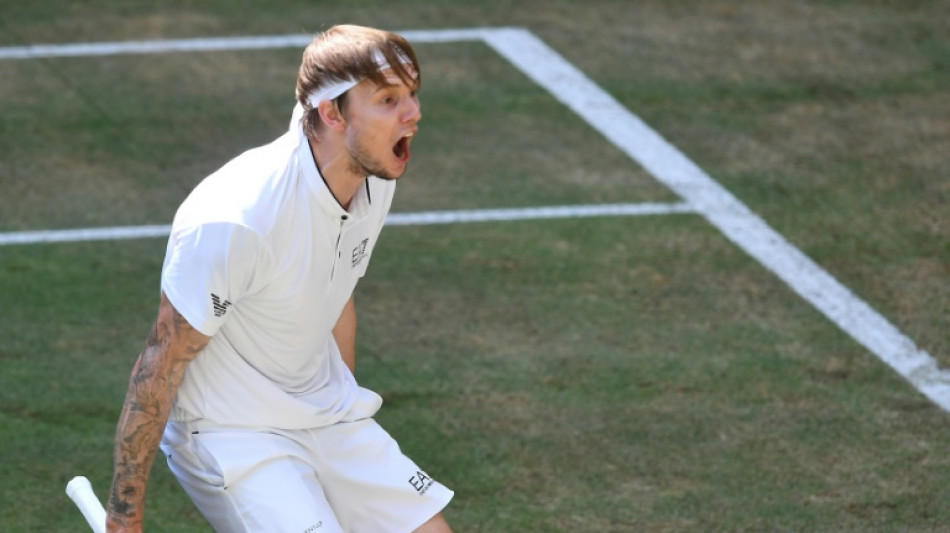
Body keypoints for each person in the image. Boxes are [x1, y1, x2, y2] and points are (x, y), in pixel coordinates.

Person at [106, 24, 453, 533]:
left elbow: (335, 291)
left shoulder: (371, 173)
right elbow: (160, 363)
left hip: (323, 410)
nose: (413, 114)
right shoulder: (238, 219)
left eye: (411, 95)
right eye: (387, 99)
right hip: (230, 431)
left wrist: (343, 414)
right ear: (333, 113)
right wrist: (123, 516)